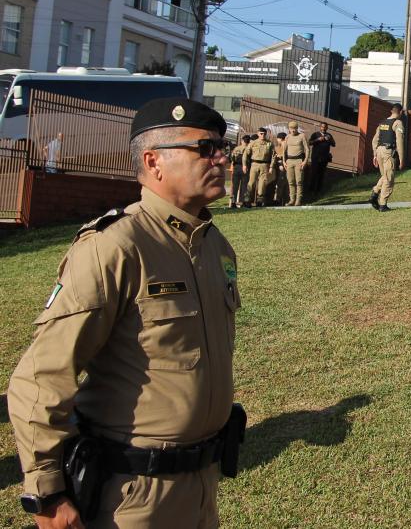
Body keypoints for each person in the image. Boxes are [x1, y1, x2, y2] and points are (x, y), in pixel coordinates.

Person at [7, 97, 244, 528]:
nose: (222, 157)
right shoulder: (114, 246)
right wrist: (46, 493)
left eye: (222, 147)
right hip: (132, 496)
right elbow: (40, 377)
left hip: (201, 485)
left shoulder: (215, 245)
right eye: (206, 148)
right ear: (154, 161)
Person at [369, 103, 405, 212]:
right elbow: (399, 141)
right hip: (389, 152)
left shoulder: (382, 123)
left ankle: (375, 194)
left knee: (385, 175)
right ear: (401, 112)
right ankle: (383, 205)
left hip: (379, 150)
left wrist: (375, 154)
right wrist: (402, 159)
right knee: (389, 178)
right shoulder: (398, 122)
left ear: (391, 111)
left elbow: (375, 140)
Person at [244, 127, 274, 207]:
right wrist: (244, 165)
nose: (263, 135)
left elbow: (273, 156)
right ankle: (247, 200)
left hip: (265, 165)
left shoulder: (269, 143)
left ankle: (259, 201)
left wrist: (271, 166)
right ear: (258, 134)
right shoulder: (253, 143)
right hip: (254, 164)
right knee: (251, 182)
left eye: (264, 134)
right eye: (261, 133)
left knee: (262, 184)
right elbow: (246, 154)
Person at [284, 121, 308, 205]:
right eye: (291, 128)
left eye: (294, 128)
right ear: (289, 129)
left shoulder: (302, 136)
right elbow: (284, 150)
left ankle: (298, 200)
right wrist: (284, 161)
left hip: (299, 161)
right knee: (290, 181)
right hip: (289, 161)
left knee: (299, 181)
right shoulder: (287, 137)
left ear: (297, 128)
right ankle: (292, 200)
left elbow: (307, 149)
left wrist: (305, 161)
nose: (293, 130)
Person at [308, 122, 336, 194]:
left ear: (327, 128)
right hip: (315, 157)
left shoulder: (329, 135)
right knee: (314, 173)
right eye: (322, 127)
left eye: (325, 127)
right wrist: (317, 139)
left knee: (321, 174)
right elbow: (310, 143)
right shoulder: (315, 134)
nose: (324, 128)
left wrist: (329, 139)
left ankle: (318, 190)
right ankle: (311, 190)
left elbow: (334, 144)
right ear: (320, 127)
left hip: (324, 158)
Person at [229, 135, 249, 208]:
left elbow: (232, 158)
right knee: (245, 186)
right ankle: (244, 201)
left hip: (236, 167)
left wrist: (232, 165)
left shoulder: (236, 148)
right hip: (245, 167)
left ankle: (233, 203)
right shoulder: (249, 148)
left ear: (242, 141)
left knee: (235, 186)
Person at [273, 131, 289, 206]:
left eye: (278, 138)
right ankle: (282, 200)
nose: (277, 140)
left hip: (283, 167)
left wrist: (280, 163)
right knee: (283, 184)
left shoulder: (281, 147)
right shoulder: (279, 147)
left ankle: (279, 200)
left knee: (281, 184)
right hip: (282, 167)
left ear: (280, 139)